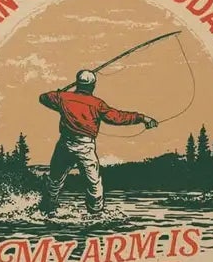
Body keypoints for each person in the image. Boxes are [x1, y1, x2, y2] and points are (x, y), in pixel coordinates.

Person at [39, 70, 157, 215]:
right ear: (93, 86)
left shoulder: (62, 97)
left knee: (54, 181)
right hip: (85, 147)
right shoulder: (97, 104)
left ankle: (46, 211)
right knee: (94, 185)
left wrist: (60, 92)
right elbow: (117, 117)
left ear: (77, 83)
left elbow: (43, 98)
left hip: (64, 145)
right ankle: (95, 215)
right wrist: (142, 118)